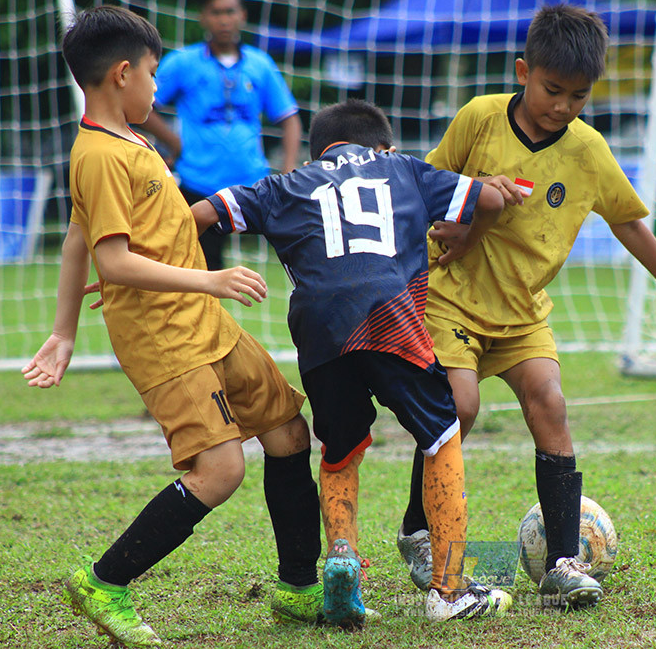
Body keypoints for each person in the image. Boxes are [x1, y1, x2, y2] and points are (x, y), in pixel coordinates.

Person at [395, 4, 656, 608]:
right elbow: (424, 186)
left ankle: (561, 564)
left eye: (578, 95)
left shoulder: (587, 151)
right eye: (552, 90)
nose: (563, 106)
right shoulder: (480, 118)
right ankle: (419, 531)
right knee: (460, 406)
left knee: (549, 401)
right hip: (453, 297)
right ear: (523, 72)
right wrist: (466, 210)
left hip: (522, 311)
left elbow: (629, 223)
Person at [22, 6, 322, 647]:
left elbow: (77, 237)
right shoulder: (99, 154)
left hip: (202, 320)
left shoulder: (132, 140)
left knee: (287, 431)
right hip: (165, 337)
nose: (158, 88)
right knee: (220, 470)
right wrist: (210, 279)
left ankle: (300, 590)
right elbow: (109, 258)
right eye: (153, 73)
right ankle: (104, 582)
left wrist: (65, 330)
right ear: (122, 74)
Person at [189, 99, 511, 625]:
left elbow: (201, 214)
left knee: (341, 450)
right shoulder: (403, 168)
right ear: (382, 146)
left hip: (320, 332)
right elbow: (491, 199)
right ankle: (450, 591)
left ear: (317, 153)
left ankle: (342, 558)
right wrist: (464, 237)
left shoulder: (285, 184)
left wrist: (159, 269)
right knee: (442, 435)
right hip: (390, 317)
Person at [140, 0, 301, 271]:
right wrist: (174, 142)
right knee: (202, 269)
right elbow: (144, 104)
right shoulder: (183, 62)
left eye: (230, 12)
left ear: (243, 16)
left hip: (252, 182)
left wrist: (288, 169)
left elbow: (289, 119)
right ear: (203, 17)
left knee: (293, 256)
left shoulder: (260, 64)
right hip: (198, 182)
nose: (224, 19)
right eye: (216, 12)